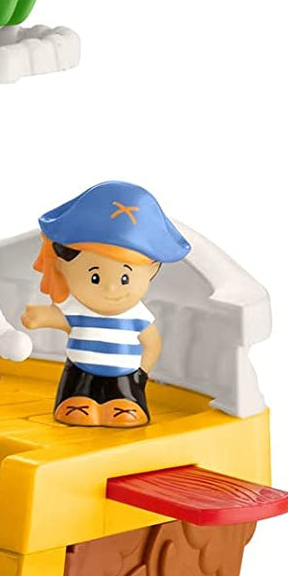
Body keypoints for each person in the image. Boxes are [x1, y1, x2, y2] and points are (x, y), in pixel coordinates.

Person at [21, 180, 191, 428]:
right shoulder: (77, 309)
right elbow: (62, 319)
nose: (111, 289)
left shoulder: (137, 316)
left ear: (152, 270)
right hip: (80, 374)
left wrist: (140, 373)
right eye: (95, 278)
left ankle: (126, 403)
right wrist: (40, 317)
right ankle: (77, 403)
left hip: (124, 377)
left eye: (125, 279)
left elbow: (152, 344)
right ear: (63, 266)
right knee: (76, 409)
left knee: (125, 410)